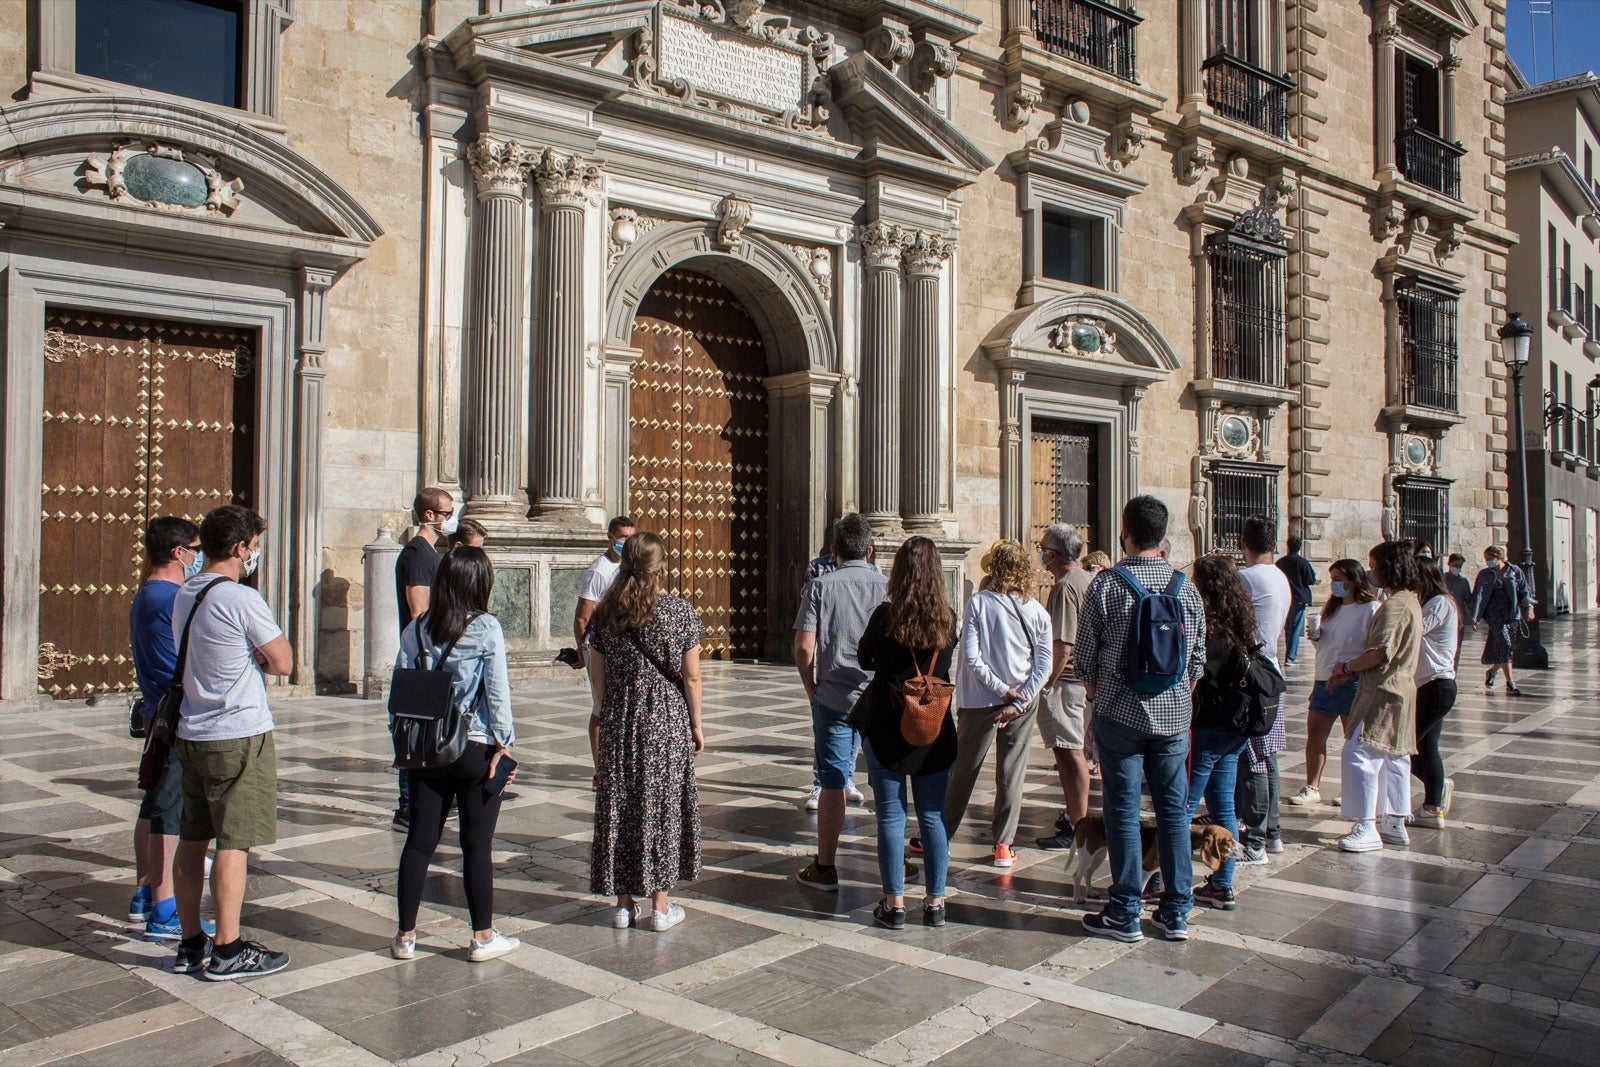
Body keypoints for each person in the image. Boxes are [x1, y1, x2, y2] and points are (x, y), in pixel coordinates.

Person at [1075, 496, 1206, 943]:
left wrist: (1100, 699)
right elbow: (1197, 660)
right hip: (1173, 721)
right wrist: (1176, 700)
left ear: (1123, 532)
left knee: (1123, 811)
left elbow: (1086, 661)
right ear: (1163, 534)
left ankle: (1125, 909)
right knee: (1173, 813)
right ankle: (1175, 911)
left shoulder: (1107, 585)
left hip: (1120, 716)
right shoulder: (1185, 587)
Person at [170, 505, 293, 980]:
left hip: (192, 730)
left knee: (192, 837)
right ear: (241, 547)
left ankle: (190, 942)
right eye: (254, 545)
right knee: (234, 842)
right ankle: (227, 948)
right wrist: (259, 657)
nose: (255, 553)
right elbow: (281, 661)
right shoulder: (241, 599)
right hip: (236, 733)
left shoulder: (188, 592)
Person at [392, 548, 520, 962]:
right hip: (473, 745)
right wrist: (505, 743)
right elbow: (497, 692)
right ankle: (482, 937)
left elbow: (400, 690)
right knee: (476, 845)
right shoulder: (485, 627)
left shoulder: (417, 627)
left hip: (426, 748)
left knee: (420, 842)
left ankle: (405, 936)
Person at [588, 533, 704, 931]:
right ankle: (660, 905)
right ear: (661, 567)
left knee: (622, 802)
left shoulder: (605, 614)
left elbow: (597, 679)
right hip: (667, 719)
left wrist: (604, 714)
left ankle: (623, 904)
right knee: (662, 804)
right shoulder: (678, 612)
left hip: (621, 716)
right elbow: (690, 677)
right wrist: (696, 724)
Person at [854, 537, 959, 929]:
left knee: (891, 817)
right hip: (934, 727)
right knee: (932, 816)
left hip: (887, 723)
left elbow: (864, 657)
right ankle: (936, 902)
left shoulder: (885, 617)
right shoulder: (948, 619)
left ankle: (894, 901)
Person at [128, 516, 214, 942]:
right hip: (176, 713)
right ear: (179, 553)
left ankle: (145, 892)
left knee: (152, 804)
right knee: (171, 811)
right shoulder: (173, 597)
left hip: (157, 709)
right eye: (195, 549)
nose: (199, 557)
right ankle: (165, 909)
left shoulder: (149, 593)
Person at [944, 540, 1052, 868]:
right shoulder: (1037, 610)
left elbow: (972, 658)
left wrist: (1000, 689)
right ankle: (1004, 845)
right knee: (1011, 773)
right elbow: (1043, 664)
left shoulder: (978, 603)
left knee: (964, 768)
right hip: (1023, 699)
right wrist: (1020, 698)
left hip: (981, 700)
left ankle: (941, 835)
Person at [794, 514, 886, 890]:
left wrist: (810, 687)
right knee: (885, 781)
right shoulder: (887, 586)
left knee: (832, 784)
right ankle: (892, 862)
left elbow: (803, 647)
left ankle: (825, 866)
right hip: (879, 699)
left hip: (833, 695)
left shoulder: (821, 587)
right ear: (870, 549)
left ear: (833, 550)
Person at [1328, 540, 1423, 853]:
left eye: (1373, 565)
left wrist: (1347, 667)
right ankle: (1394, 820)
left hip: (1382, 689)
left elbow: (1379, 653)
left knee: (1361, 753)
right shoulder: (1410, 601)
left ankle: (1366, 824)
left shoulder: (1394, 606)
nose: (1369, 571)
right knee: (1394, 755)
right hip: (1401, 688)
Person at [1186, 555, 1260, 911]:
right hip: (1235, 727)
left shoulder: (1208, 627)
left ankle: (1164, 881)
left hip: (1208, 725)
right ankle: (1222, 884)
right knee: (1222, 807)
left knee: (1182, 807)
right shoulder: (1243, 624)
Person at [1287, 560, 1379, 806]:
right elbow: (1328, 644)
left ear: (1353, 580)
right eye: (1333, 578)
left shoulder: (1370, 608)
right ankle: (1312, 785)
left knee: (1353, 739)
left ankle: (1350, 787)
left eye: (1339, 578)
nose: (1334, 583)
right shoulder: (1333, 608)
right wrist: (1316, 637)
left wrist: (1351, 669)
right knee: (1315, 733)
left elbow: (1372, 647)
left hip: (1351, 679)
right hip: (1324, 675)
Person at [392, 487, 456, 831]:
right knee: (415, 733)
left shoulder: (430, 552)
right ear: (429, 515)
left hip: (432, 656)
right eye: (447, 511)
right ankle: (407, 808)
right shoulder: (418, 554)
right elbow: (418, 610)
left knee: (433, 731)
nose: (451, 517)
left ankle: (429, 801)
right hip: (421, 660)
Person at [1033, 524, 1094, 851]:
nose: (1041, 553)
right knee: (1069, 752)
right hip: (1079, 681)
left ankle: (1078, 824)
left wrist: (1046, 682)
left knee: (1070, 754)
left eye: (1043, 548)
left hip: (1066, 681)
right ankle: (1074, 816)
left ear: (1053, 554)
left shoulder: (1066, 587)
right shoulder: (1086, 580)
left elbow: (1063, 644)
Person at [1236, 515, 1291, 862]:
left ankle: (1254, 840)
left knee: (1253, 759)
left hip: (1250, 677)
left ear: (1244, 544)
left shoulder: (1247, 578)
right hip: (1271, 672)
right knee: (1267, 756)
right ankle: (1273, 832)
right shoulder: (1280, 577)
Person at [800, 536, 866, 812]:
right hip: (841, 665)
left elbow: (802, 648)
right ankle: (823, 780)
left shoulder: (875, 576)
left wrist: (809, 685)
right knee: (829, 733)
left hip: (849, 674)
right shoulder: (817, 571)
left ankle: (846, 777)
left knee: (849, 732)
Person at [575, 517, 636, 783]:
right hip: (598, 649)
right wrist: (583, 650)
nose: (626, 543)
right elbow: (581, 617)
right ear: (610, 537)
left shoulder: (629, 568)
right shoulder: (599, 571)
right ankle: (600, 769)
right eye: (622, 537)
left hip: (619, 647)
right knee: (601, 706)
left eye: (630, 538)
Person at [1409, 557, 1460, 828]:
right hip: (1429, 684)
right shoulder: (1432, 602)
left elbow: (1413, 631)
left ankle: (1434, 799)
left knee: (1407, 747)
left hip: (1436, 684)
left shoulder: (1438, 603)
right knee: (1426, 748)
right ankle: (1435, 794)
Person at [1472, 545, 1532, 695]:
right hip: (1494, 612)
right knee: (1505, 644)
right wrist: (1475, 617)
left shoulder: (1514, 571)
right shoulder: (1485, 574)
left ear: (1498, 558)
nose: (1487, 562)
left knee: (1507, 646)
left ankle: (1492, 671)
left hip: (1511, 612)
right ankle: (1510, 683)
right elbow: (1478, 595)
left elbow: (1525, 590)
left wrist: (1529, 607)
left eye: (1489, 559)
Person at [1275, 535, 1317, 665]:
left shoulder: (1281, 562)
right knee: (1294, 628)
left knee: (1288, 628)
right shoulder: (1302, 562)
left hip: (1285, 597)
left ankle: (1288, 655)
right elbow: (1311, 579)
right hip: (1298, 598)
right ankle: (1291, 657)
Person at [1444, 553, 1473, 669]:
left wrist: (1474, 617)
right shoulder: (1442, 579)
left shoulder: (1463, 582)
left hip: (1458, 621)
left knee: (1456, 648)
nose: (1457, 568)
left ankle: (1453, 672)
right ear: (1449, 564)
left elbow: (1469, 600)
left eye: (1460, 566)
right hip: (1444, 618)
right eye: (1455, 565)